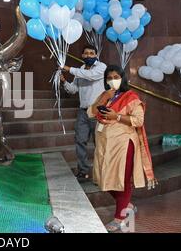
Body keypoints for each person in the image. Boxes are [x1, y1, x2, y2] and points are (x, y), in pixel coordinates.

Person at [88, 65, 157, 232]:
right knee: (106, 178)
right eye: (109, 77)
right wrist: (104, 97)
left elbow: (138, 121)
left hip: (123, 146)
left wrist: (116, 116)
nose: (113, 80)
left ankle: (120, 218)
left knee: (123, 181)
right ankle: (127, 204)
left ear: (123, 78)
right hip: (105, 146)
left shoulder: (131, 96)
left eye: (116, 77)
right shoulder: (106, 96)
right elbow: (90, 113)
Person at [60, 45, 107, 182]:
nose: (88, 56)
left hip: (98, 111)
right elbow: (74, 89)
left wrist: (69, 69)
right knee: (80, 141)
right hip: (83, 112)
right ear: (82, 55)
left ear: (96, 55)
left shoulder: (101, 67)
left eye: (91, 53)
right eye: (86, 53)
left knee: (100, 143)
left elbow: (91, 76)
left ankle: (103, 173)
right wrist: (64, 82)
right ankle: (83, 171)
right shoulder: (80, 69)